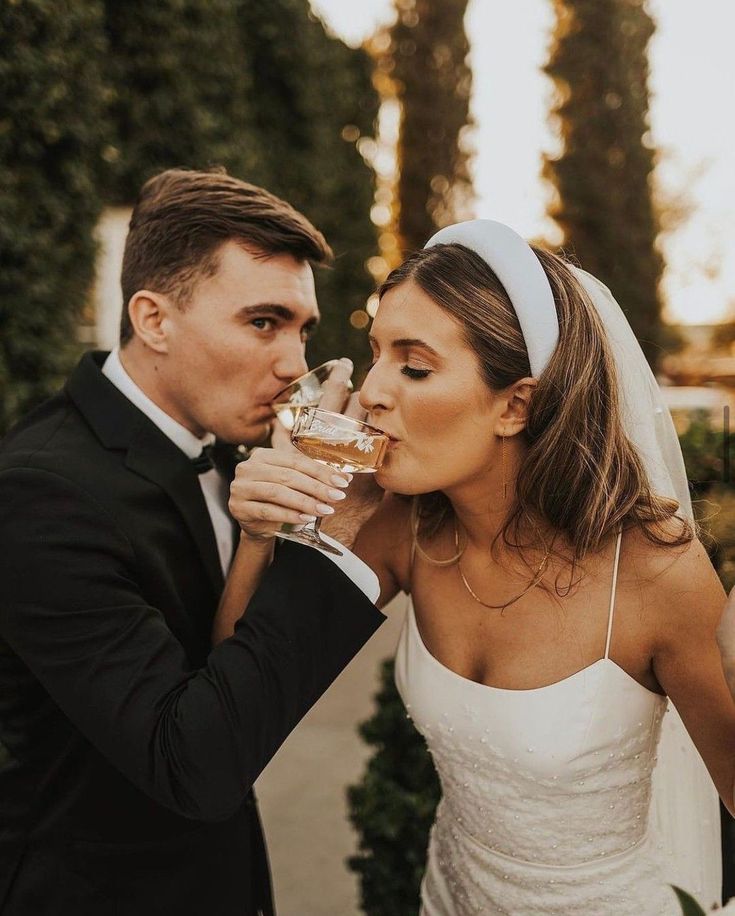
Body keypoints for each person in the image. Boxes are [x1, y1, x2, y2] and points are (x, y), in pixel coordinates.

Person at [225, 219, 735, 914]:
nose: (371, 390)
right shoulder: (400, 525)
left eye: (414, 365)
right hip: (446, 897)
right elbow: (240, 697)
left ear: (514, 404)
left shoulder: (652, 575)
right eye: (374, 353)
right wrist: (261, 536)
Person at [0, 168, 385, 916]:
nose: (292, 366)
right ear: (153, 319)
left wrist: (266, 537)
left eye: (302, 329)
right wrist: (337, 531)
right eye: (262, 322)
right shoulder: (43, 493)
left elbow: (228, 672)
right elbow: (195, 764)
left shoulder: (223, 449)